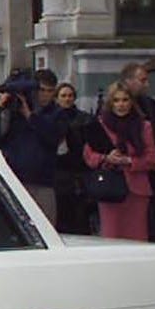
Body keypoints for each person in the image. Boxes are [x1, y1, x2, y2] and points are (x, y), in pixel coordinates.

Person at [84, 81, 155, 241]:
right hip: (110, 188)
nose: (121, 105)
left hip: (137, 190)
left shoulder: (144, 126)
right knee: (111, 236)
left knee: (137, 237)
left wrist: (129, 160)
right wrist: (106, 158)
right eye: (116, 100)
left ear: (132, 102)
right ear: (110, 103)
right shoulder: (101, 125)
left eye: (125, 100)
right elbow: (89, 157)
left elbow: (152, 160)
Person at [0, 69, 63, 224]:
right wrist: (3, 110)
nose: (44, 95)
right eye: (41, 90)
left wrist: (31, 116)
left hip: (42, 181)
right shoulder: (14, 112)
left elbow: (52, 137)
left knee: (45, 226)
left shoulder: (57, 114)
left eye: (49, 91)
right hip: (15, 178)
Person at [121, 62, 155, 242]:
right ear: (129, 81)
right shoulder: (111, 109)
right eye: (142, 80)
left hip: (149, 174)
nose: (146, 85)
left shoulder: (152, 107)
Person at [52, 82, 96, 236]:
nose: (67, 99)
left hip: (78, 174)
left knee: (80, 217)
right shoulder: (51, 119)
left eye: (70, 96)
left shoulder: (84, 119)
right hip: (58, 174)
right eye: (63, 96)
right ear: (57, 98)